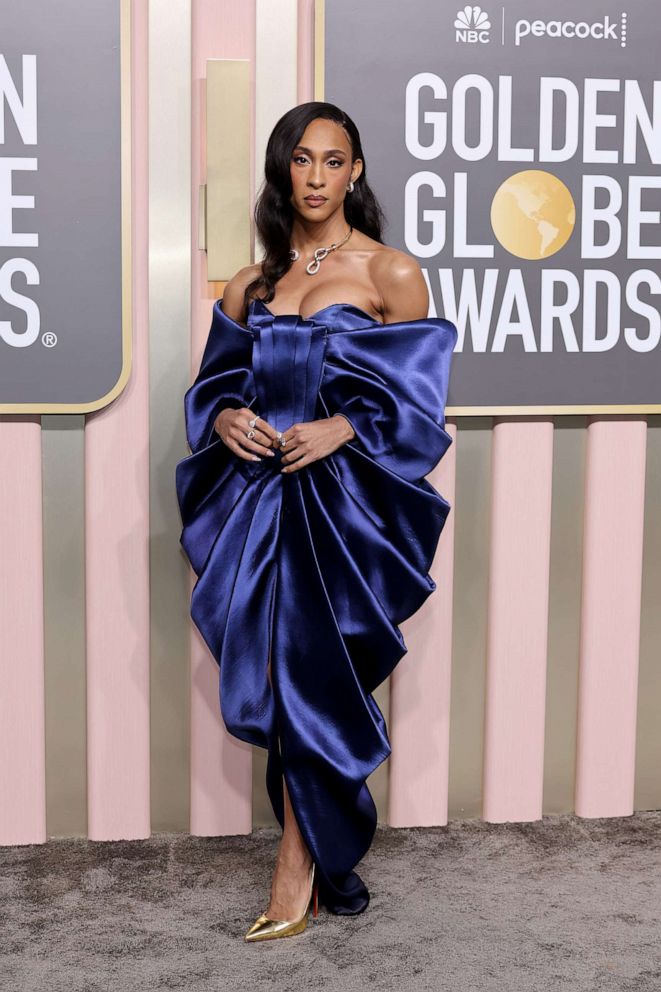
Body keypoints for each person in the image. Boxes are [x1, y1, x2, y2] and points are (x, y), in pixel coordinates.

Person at [175, 101, 457, 942]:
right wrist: (225, 417)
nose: (317, 177)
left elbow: (419, 407)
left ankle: (295, 870)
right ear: (282, 168)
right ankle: (322, 856)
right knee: (274, 672)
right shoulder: (249, 284)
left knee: (314, 677)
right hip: (259, 501)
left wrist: (344, 425)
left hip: (341, 508)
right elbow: (211, 390)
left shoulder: (391, 274)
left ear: (356, 172)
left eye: (334, 161)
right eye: (302, 160)